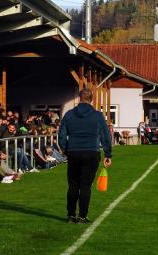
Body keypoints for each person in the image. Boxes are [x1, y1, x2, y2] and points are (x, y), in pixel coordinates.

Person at [58, 89, 112, 224]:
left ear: (79, 98)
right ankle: (82, 216)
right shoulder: (98, 116)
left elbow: (62, 134)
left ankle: (71, 215)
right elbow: (106, 135)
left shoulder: (69, 115)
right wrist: (108, 153)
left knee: (73, 185)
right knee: (85, 186)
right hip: (91, 152)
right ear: (92, 99)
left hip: (74, 152)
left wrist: (65, 149)